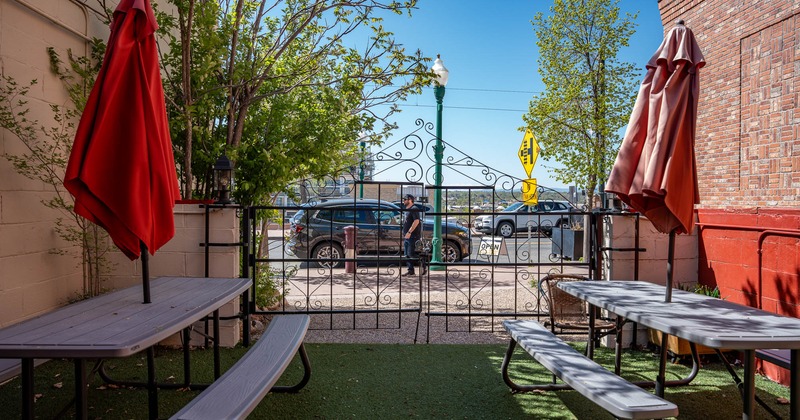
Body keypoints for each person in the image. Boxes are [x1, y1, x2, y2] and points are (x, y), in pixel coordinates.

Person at [401, 194, 424, 275]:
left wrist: (409, 232)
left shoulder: (414, 209)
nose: (403, 201)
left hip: (412, 235)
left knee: (411, 254)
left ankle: (423, 263)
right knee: (406, 254)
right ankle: (410, 270)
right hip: (407, 236)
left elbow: (416, 221)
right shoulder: (407, 209)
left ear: (410, 200)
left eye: (405, 199)